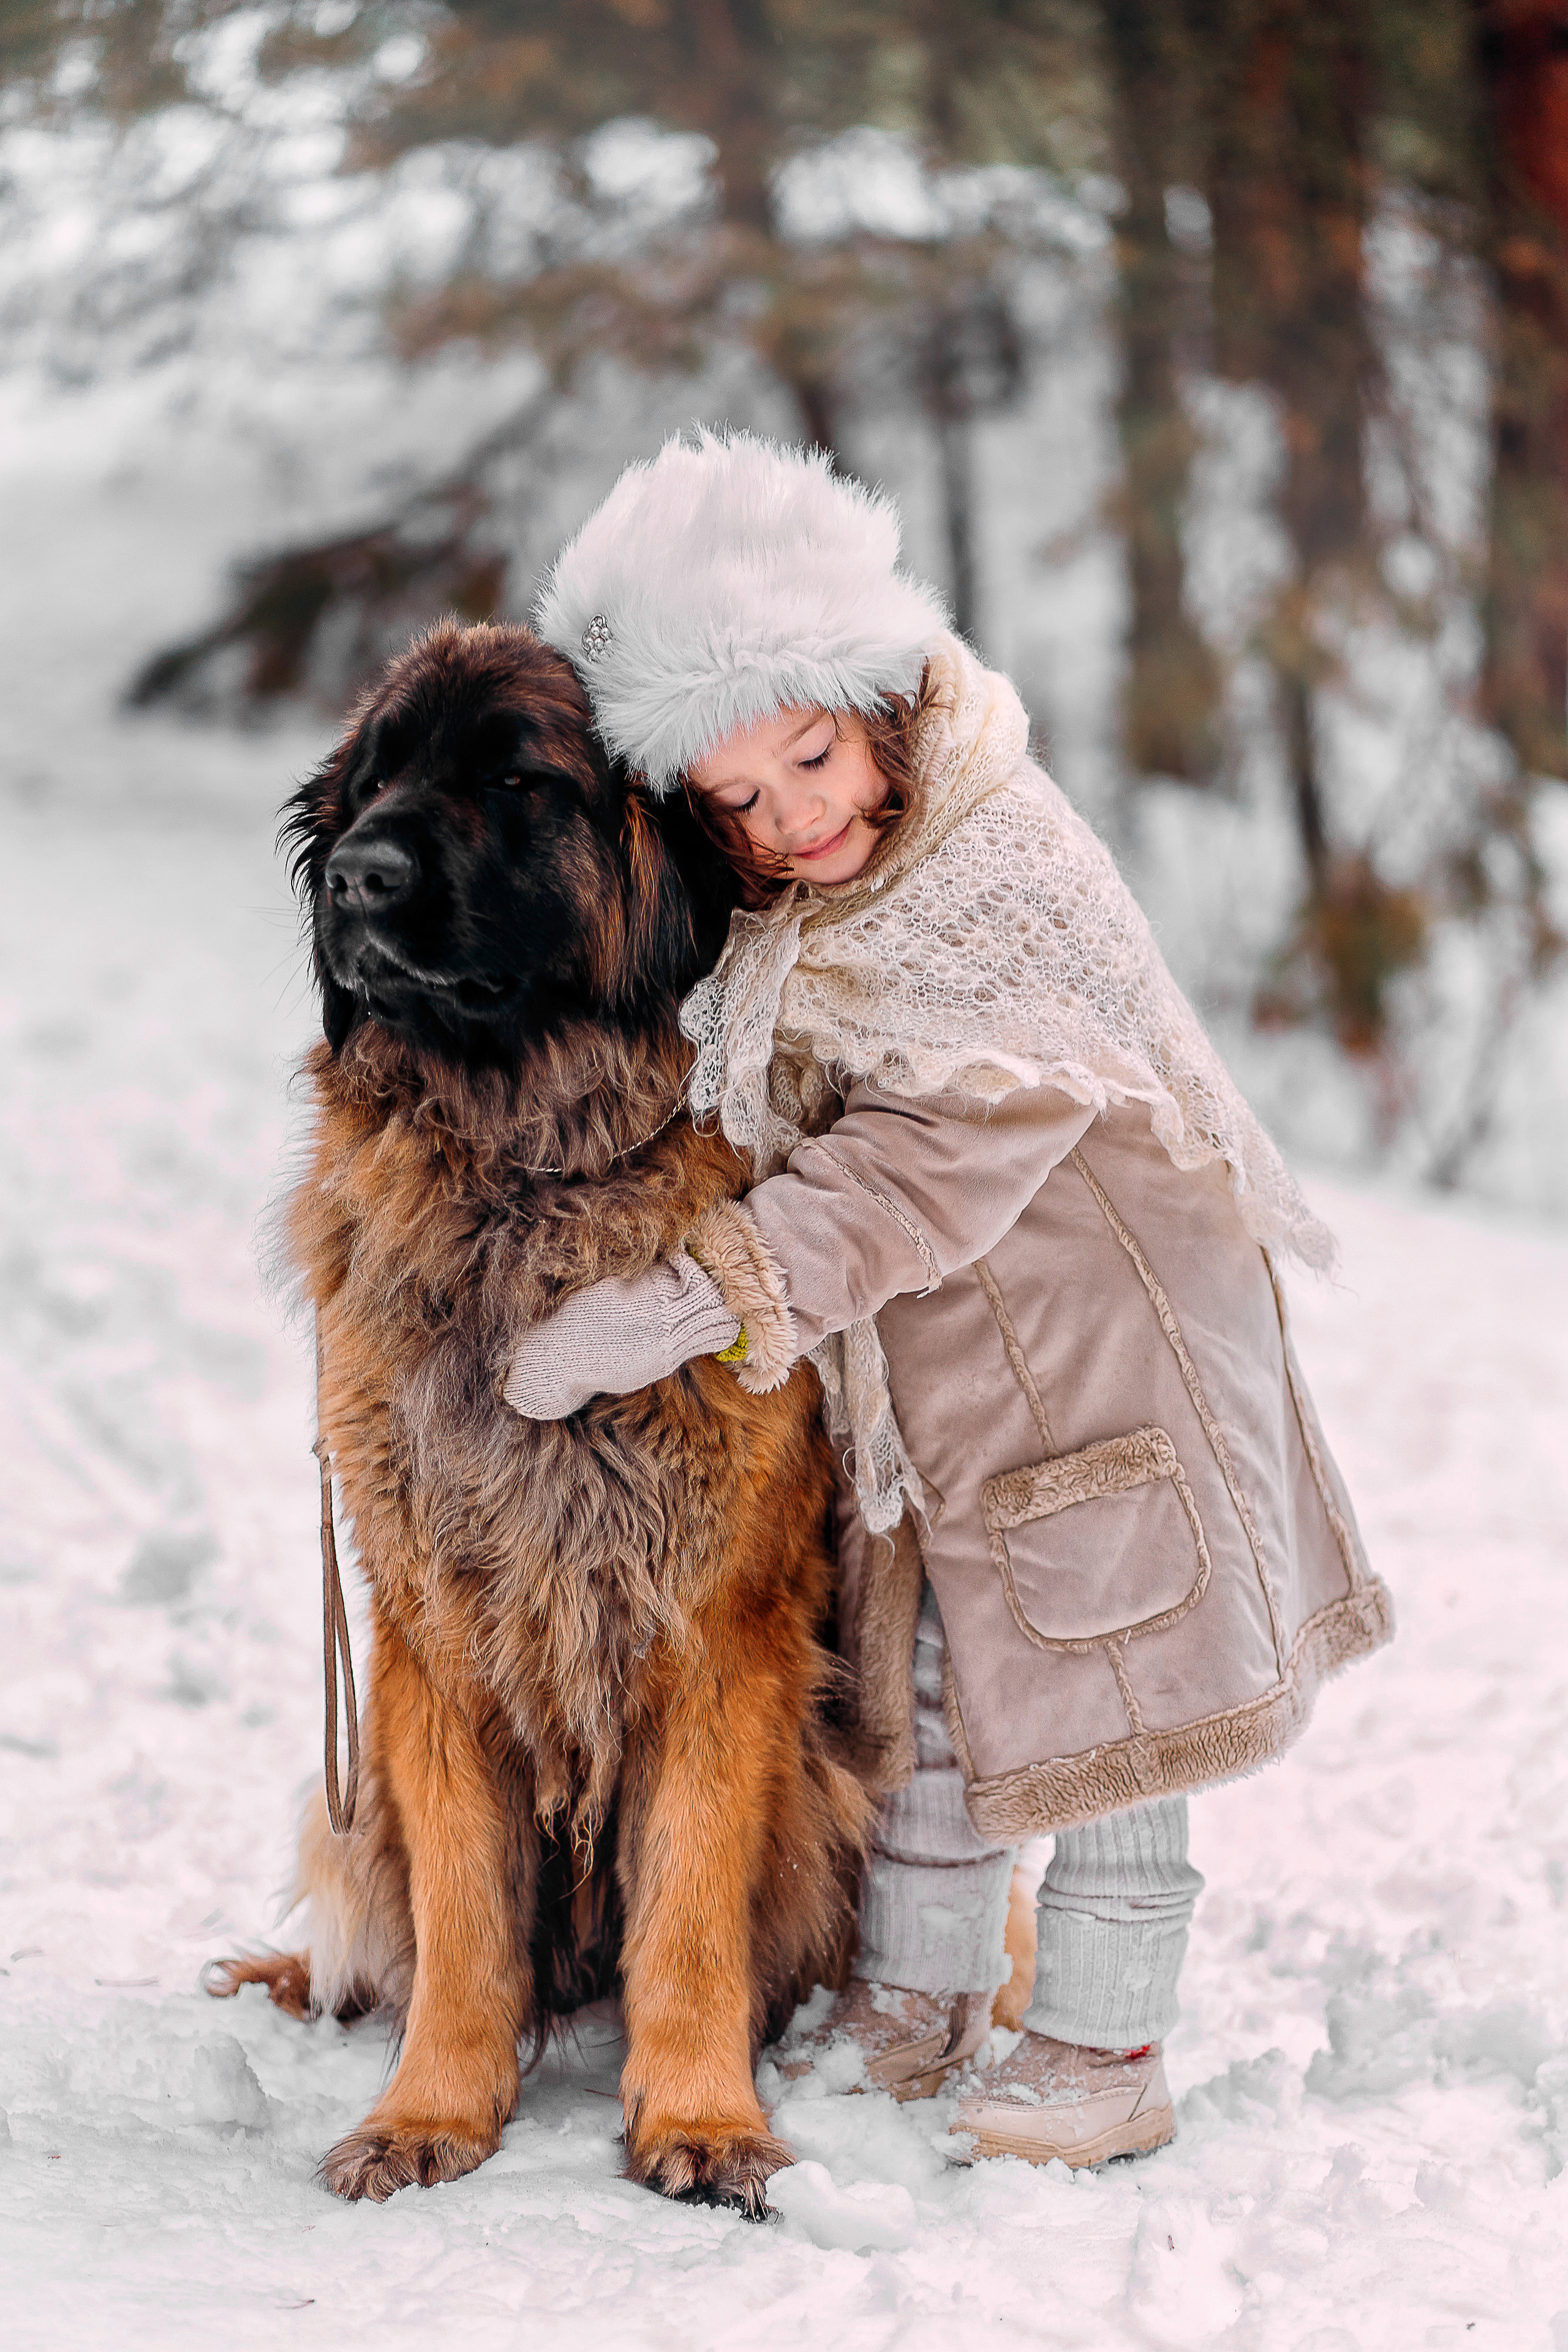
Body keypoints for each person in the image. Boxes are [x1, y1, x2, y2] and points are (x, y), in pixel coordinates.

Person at [503, 430, 1393, 2168]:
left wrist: (695, 1298)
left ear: (883, 691)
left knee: (1116, 1705)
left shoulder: (1000, 876)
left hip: (1102, 1361)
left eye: (814, 760)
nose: (794, 821)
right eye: (739, 802)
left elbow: (922, 1164)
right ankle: (918, 1993)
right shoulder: (824, 898)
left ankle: (1105, 2043)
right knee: (927, 1687)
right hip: (945, 1377)